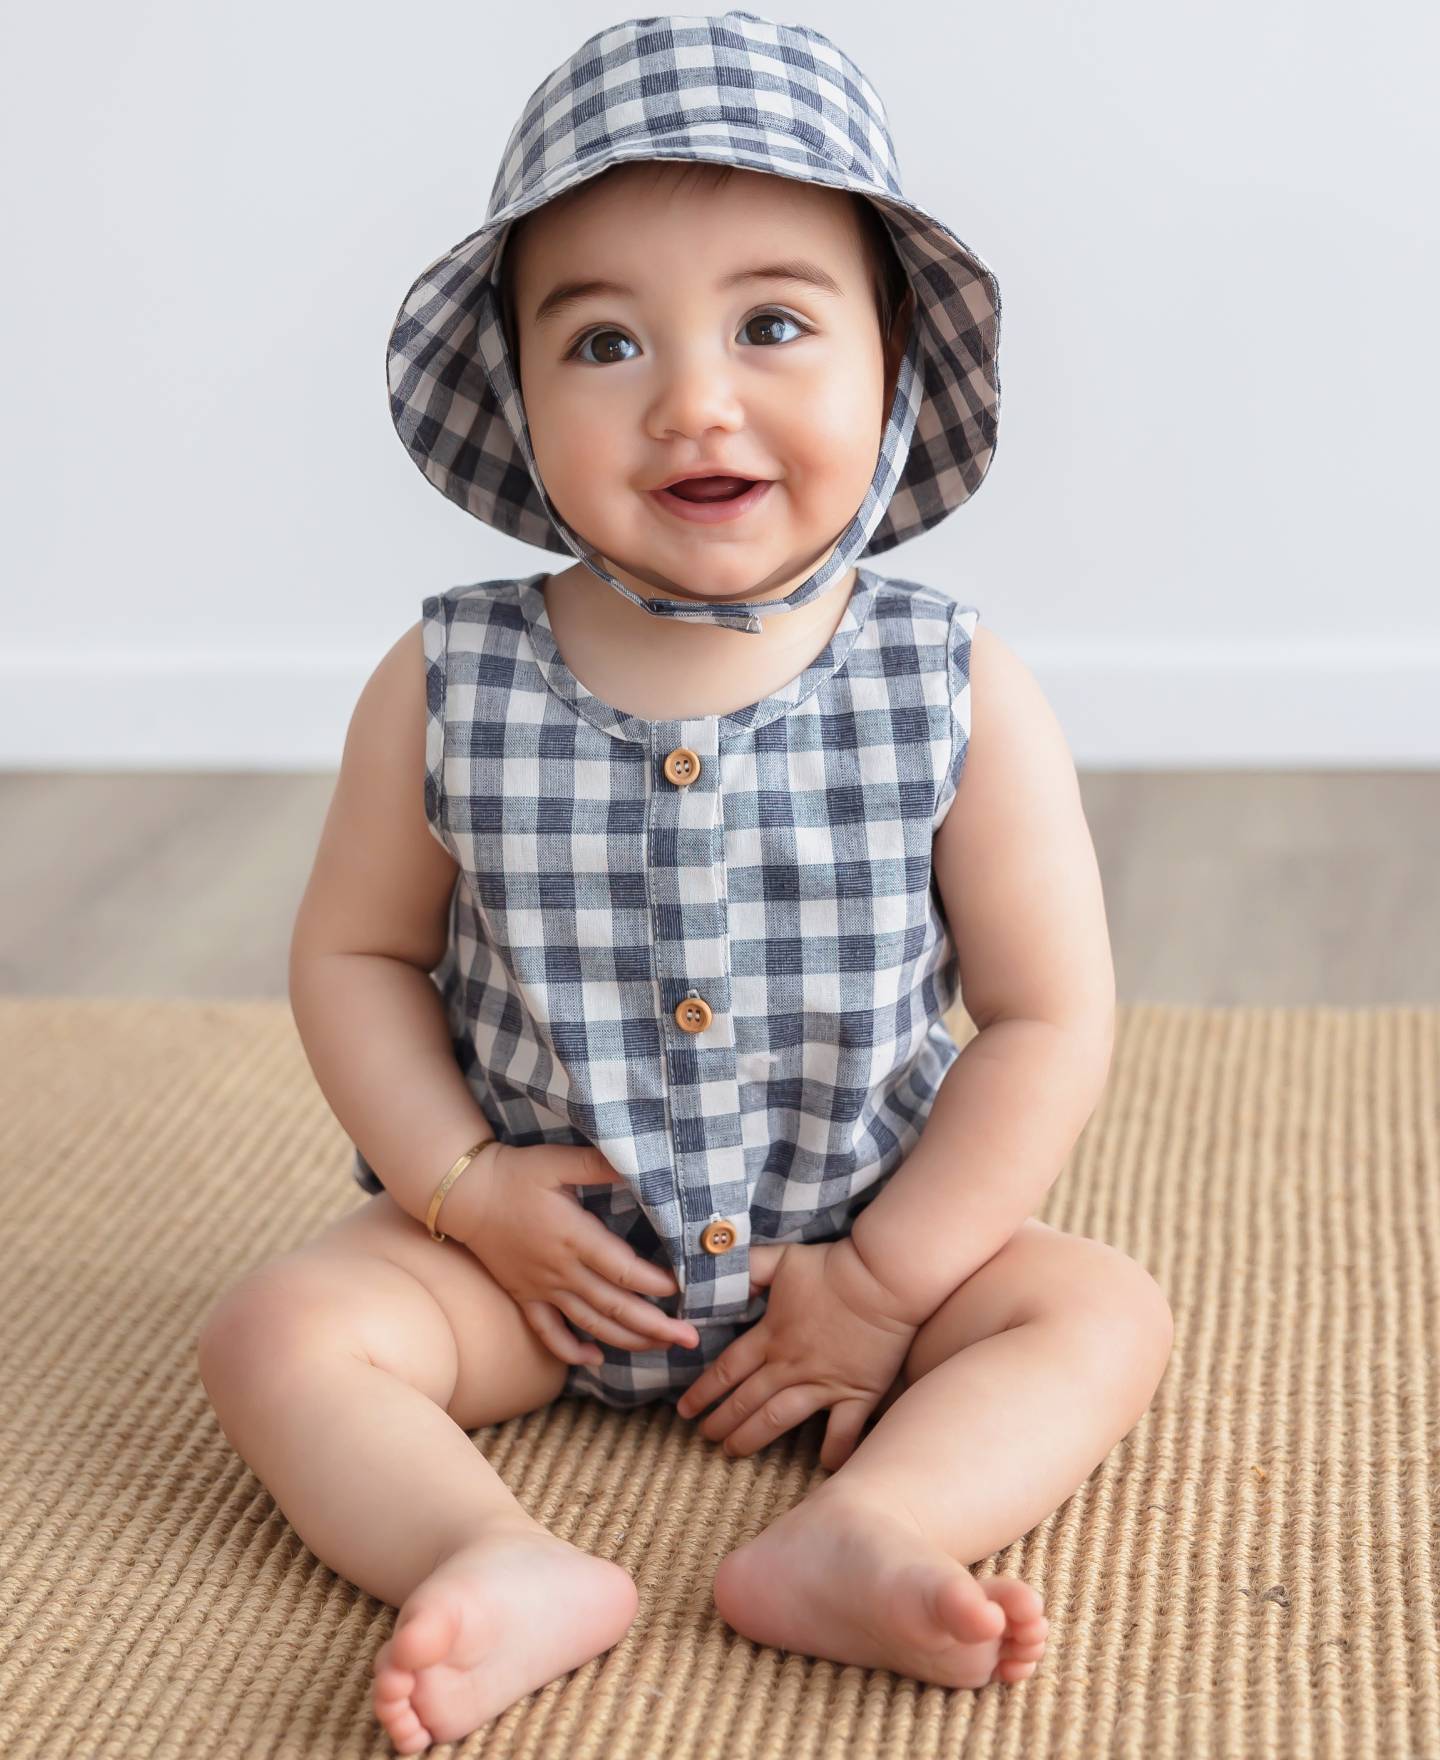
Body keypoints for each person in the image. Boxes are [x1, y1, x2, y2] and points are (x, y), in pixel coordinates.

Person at [196, 12, 1174, 1752]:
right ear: (513, 393)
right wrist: (460, 1188)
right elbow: (355, 956)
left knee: (1095, 1309)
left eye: (775, 323)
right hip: (542, 1274)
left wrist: (891, 1279)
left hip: (862, 1252)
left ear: (897, 365)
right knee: (279, 1331)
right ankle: (488, 1555)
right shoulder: (447, 683)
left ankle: (873, 1525)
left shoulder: (951, 684)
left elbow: (1046, 1013)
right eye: (603, 341)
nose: (692, 398)